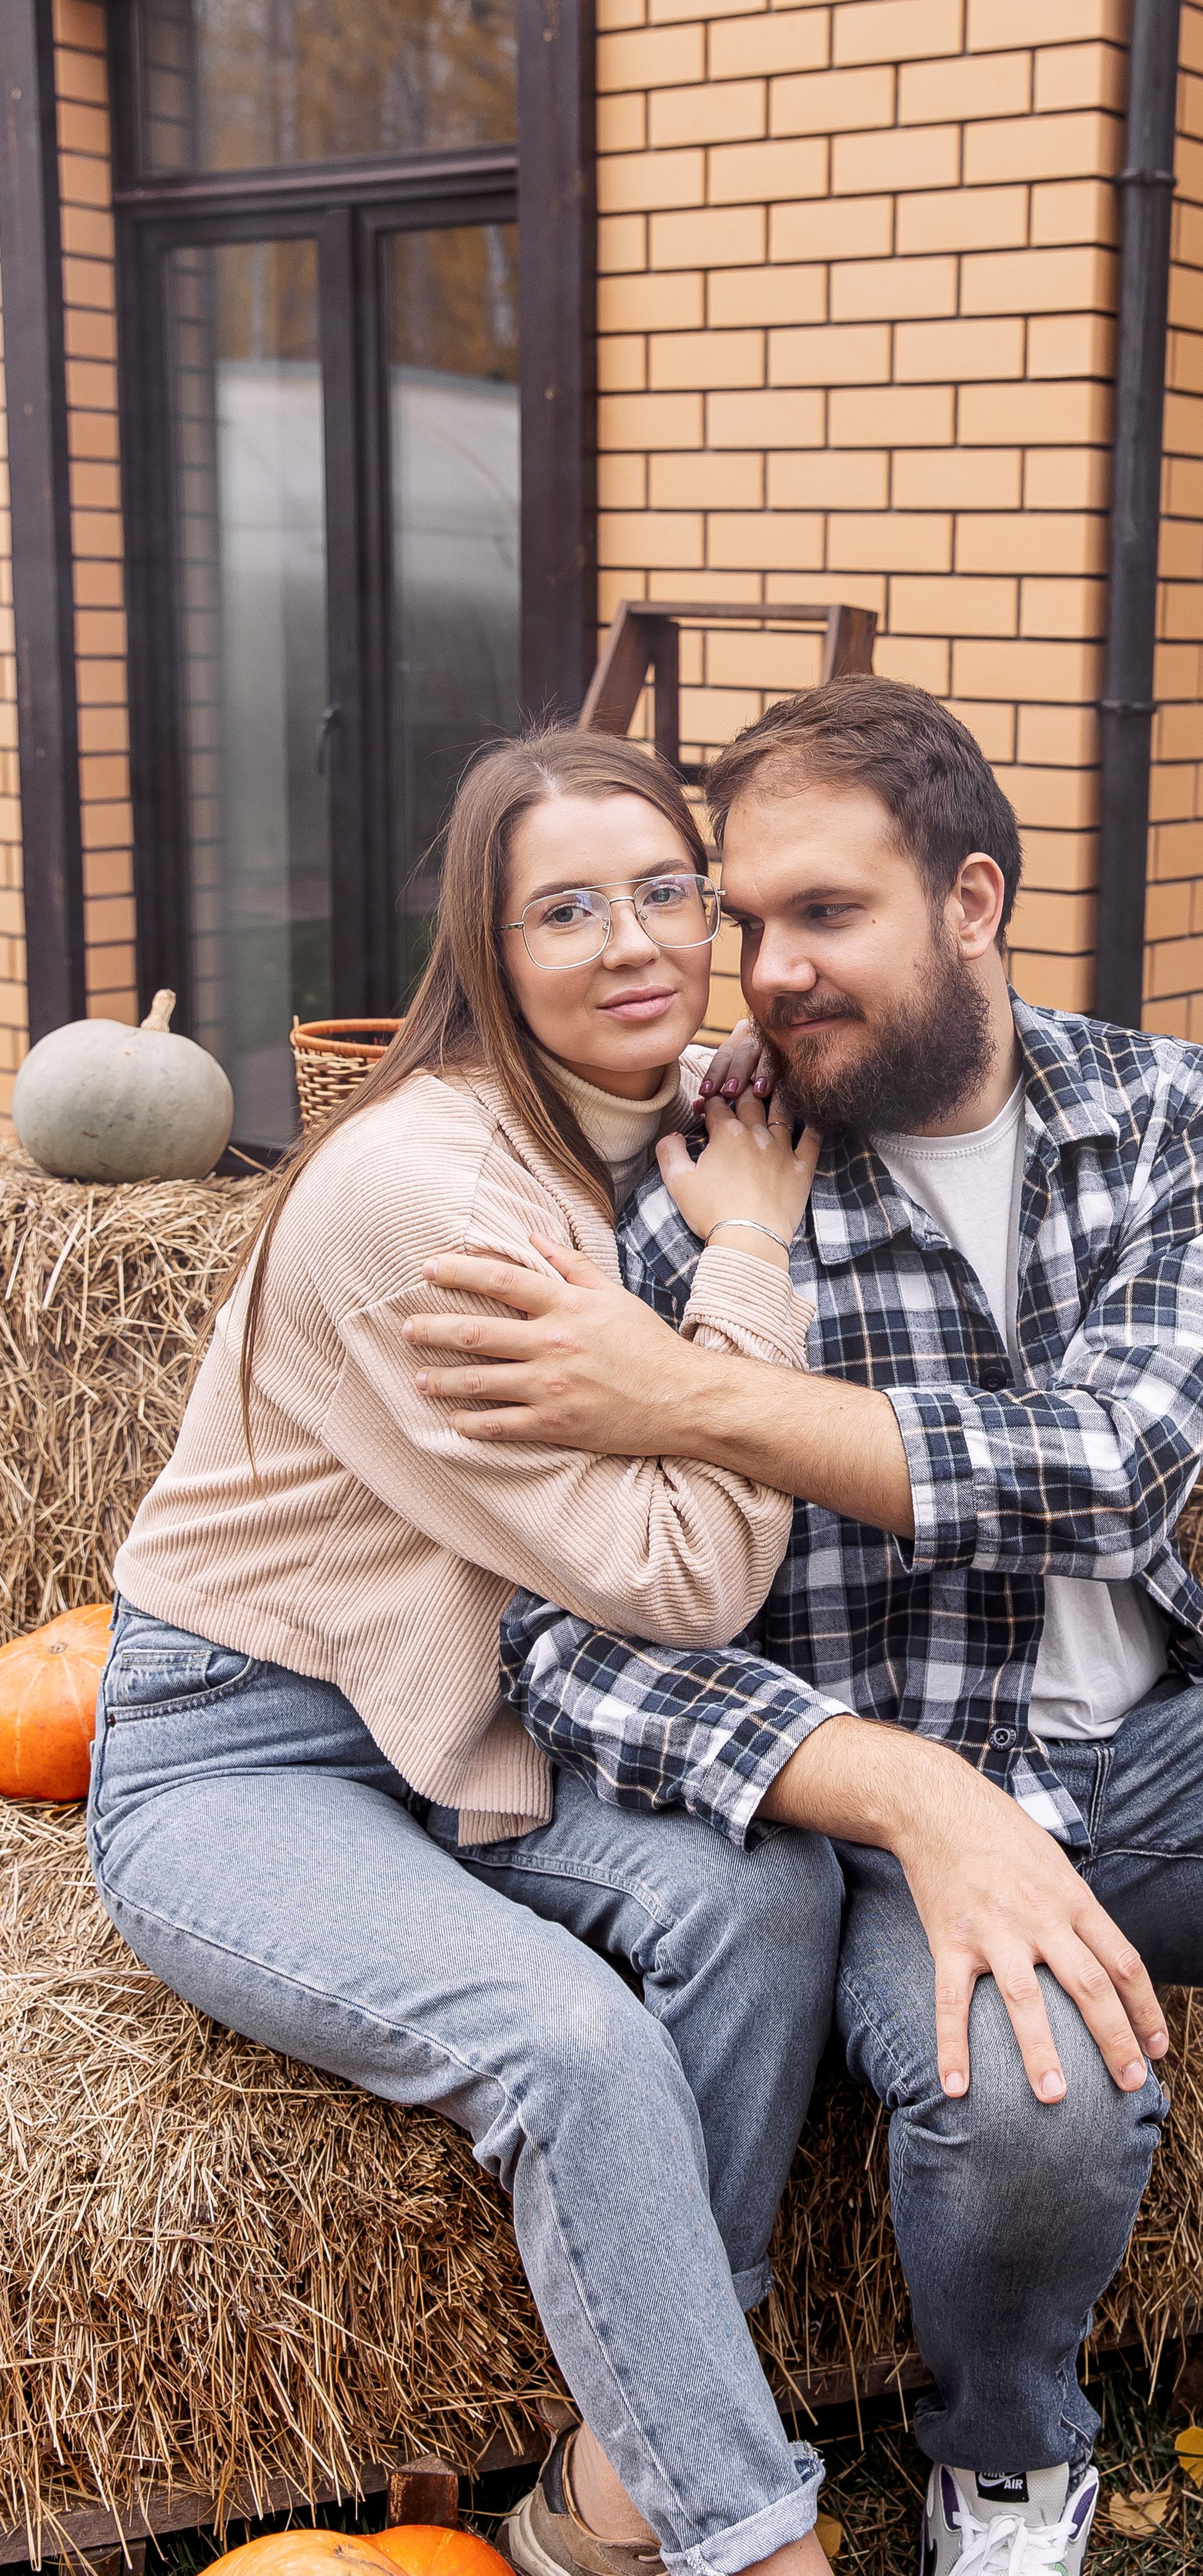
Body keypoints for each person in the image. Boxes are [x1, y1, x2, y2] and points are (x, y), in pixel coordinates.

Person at [399, 680, 1203, 2576]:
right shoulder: (677, 1181)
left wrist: (684, 1401)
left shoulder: (1167, 1114)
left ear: (973, 901)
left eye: (822, 916)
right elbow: (550, 1636)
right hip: (869, 1788)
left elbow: (1106, 1478)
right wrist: (883, 1790)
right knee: (1043, 2113)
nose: (761, 974)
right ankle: (1005, 2457)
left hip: (1155, 1741)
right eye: (741, 920)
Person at [88, 729, 849, 2576]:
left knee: (766, 1897)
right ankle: (750, 2539)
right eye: (562, 911)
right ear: (486, 954)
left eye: (666, 889)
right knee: (570, 2047)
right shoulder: (425, 1195)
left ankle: (617, 2472)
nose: (633, 943)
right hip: (245, 1753)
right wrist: (750, 1262)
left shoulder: (643, 1122)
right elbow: (680, 1578)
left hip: (470, 1726)